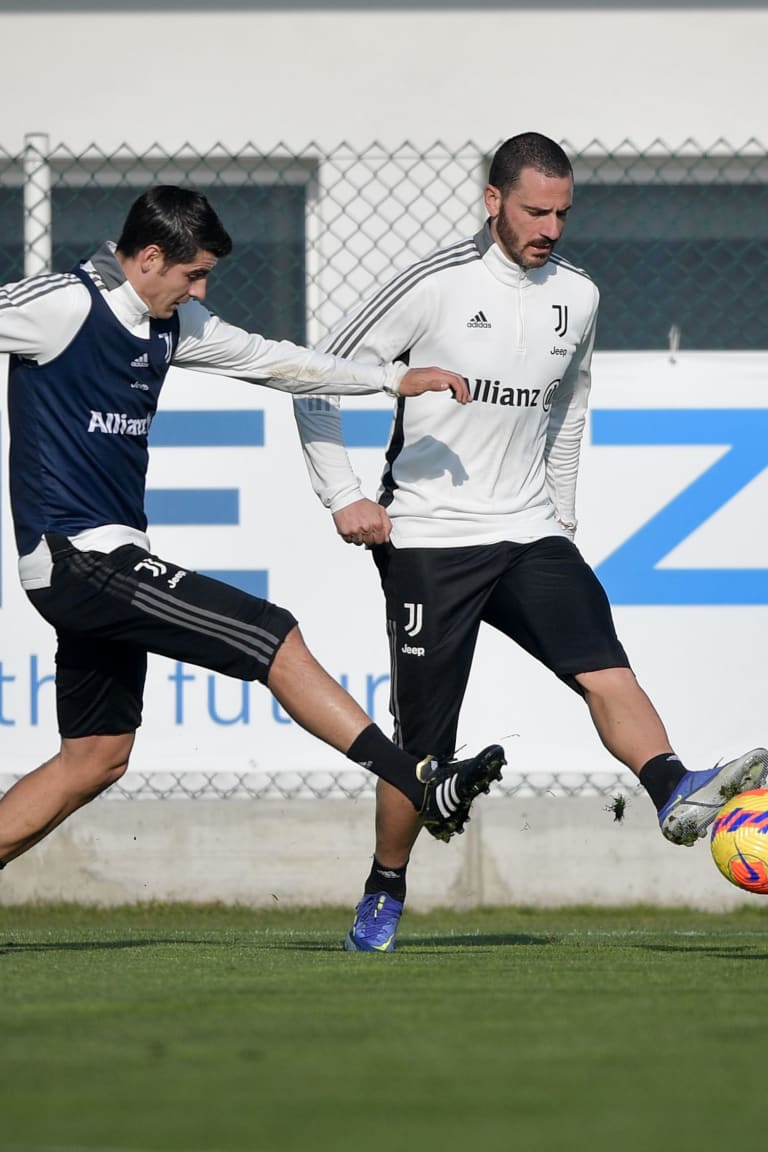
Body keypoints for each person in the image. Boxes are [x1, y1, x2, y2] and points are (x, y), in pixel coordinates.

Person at [293, 131, 768, 953]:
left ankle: (671, 790)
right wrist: (343, 497)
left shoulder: (578, 295)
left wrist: (563, 518)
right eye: (535, 210)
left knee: (603, 664)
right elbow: (314, 379)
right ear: (493, 202)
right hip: (428, 541)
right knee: (423, 746)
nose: (551, 226)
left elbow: (569, 410)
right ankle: (386, 886)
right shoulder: (432, 287)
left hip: (528, 532)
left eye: (562, 212)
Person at [0, 184, 507, 878]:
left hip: (109, 560)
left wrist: (391, 379)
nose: (201, 289)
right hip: (75, 559)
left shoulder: (170, 324)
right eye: (193, 274)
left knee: (96, 759)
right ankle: (421, 782)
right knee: (272, 633)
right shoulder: (62, 306)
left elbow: (278, 362)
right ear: (149, 258)